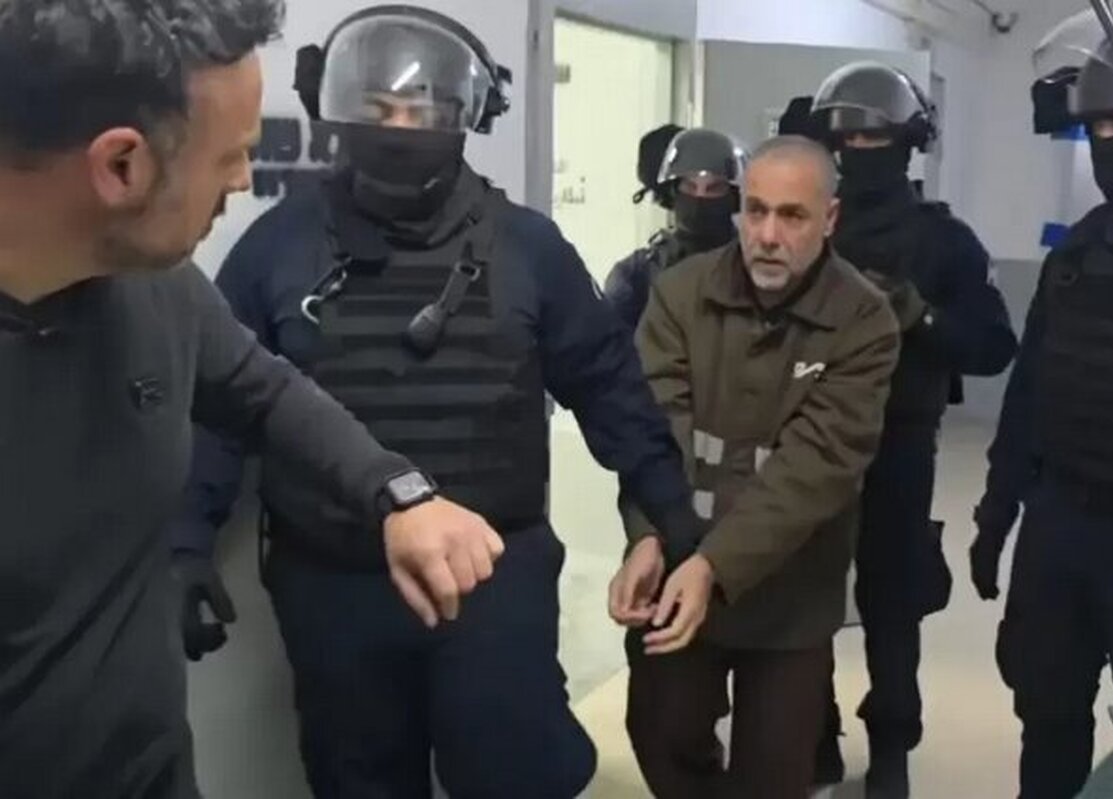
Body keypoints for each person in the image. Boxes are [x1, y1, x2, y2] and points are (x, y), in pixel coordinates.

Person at [171, 7, 707, 798]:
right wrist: (186, 539)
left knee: (513, 776)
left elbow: (609, 387)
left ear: (462, 116)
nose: (398, 129)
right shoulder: (278, 246)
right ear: (337, 109)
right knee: (359, 780)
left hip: (492, 577)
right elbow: (221, 405)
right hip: (335, 583)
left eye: (419, 111)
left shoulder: (528, 248)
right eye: (379, 110)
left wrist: (669, 514)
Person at [0, 1, 516, 798]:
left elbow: (266, 393)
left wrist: (399, 494)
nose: (244, 179)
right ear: (121, 166)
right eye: (230, 156)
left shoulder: (160, 290)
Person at [612, 135, 901, 798]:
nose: (768, 235)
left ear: (829, 218)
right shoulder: (680, 293)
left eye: (792, 216)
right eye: (756, 211)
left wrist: (713, 567)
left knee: (775, 771)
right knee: (662, 733)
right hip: (676, 560)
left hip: (790, 593)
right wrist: (646, 537)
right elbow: (653, 432)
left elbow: (815, 468)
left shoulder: (863, 319)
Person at [972, 7, 1113, 797]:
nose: (1111, 142)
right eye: (1098, 125)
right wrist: (997, 513)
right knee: (1047, 715)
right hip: (1062, 525)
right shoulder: (1078, 249)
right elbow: (1029, 396)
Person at [801, 62, 1018, 795]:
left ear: (908, 142)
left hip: (898, 441)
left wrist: (921, 316)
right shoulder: (808, 224)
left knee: (893, 601)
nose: (860, 150)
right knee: (803, 593)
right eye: (848, 138)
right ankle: (814, 731)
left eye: (876, 137)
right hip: (809, 437)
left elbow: (994, 347)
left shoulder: (944, 241)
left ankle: (892, 739)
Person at [605, 128, 746, 330]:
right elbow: (613, 344)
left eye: (714, 188)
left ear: (732, 197)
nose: (700, 198)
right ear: (673, 192)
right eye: (690, 186)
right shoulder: (635, 275)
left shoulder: (754, 267)